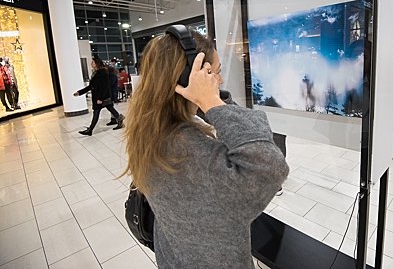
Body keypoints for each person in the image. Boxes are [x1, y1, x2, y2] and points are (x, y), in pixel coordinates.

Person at [118, 27, 289, 269]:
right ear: (191, 78)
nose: (218, 82)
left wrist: (209, 102)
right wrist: (210, 102)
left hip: (174, 257)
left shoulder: (148, 128)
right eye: (215, 74)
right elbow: (268, 167)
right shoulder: (186, 150)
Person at [73, 57, 124, 135]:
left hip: (101, 97)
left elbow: (105, 86)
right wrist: (79, 92)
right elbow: (91, 86)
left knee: (97, 113)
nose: (91, 64)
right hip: (100, 96)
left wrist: (100, 98)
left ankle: (90, 130)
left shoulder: (103, 73)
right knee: (109, 109)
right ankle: (119, 118)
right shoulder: (97, 73)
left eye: (93, 62)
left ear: (97, 63)